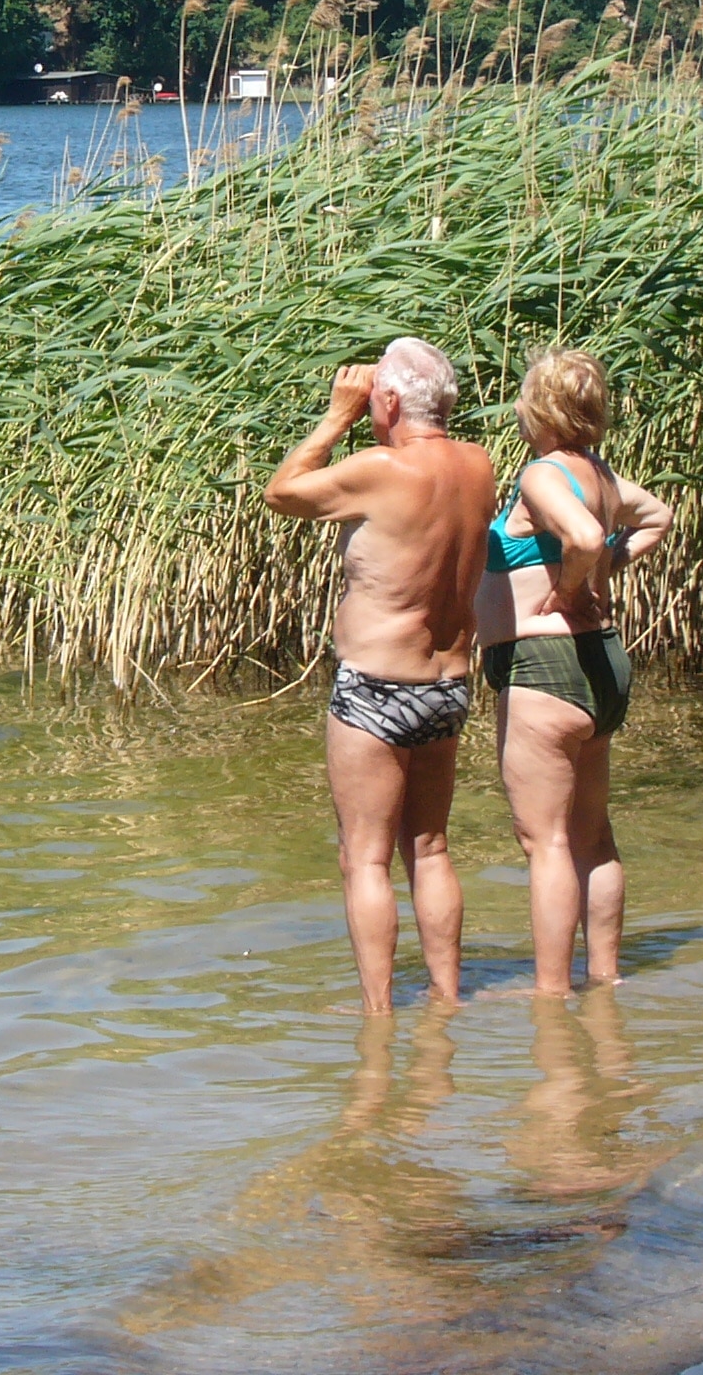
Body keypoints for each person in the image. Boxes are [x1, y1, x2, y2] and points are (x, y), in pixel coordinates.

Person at [265, 339, 497, 1011]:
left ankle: (377, 1015)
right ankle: (447, 997)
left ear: (390, 401)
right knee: (430, 849)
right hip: (448, 686)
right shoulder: (478, 467)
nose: (366, 406)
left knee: (364, 860)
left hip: (376, 688)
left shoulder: (379, 469)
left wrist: (335, 419)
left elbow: (281, 493)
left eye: (371, 399)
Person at [475, 349, 673, 997]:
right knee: (594, 835)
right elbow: (658, 517)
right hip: (601, 663)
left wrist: (569, 585)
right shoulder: (605, 475)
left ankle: (552, 996)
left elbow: (584, 536)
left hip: (546, 663)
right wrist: (607, 567)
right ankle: (606, 979)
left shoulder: (542, 475)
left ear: (543, 411)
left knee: (546, 842)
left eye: (524, 400)